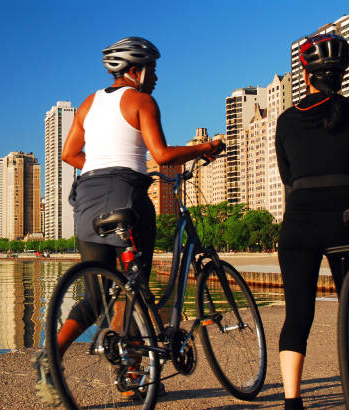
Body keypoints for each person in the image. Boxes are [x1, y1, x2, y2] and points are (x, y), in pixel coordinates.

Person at [32, 36, 222, 405]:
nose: (155, 78)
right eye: (153, 69)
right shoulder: (142, 100)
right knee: (136, 288)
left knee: (97, 294)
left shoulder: (89, 102)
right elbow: (163, 154)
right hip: (127, 196)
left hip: (86, 199)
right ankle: (133, 376)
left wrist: (101, 167)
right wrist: (204, 148)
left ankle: (48, 357)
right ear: (136, 70)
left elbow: (70, 153)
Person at [275, 33, 349, 409]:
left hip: (298, 225)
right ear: (343, 73)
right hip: (348, 219)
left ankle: (292, 401)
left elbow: (287, 178)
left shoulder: (285, 121)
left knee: (298, 313)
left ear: (305, 72)